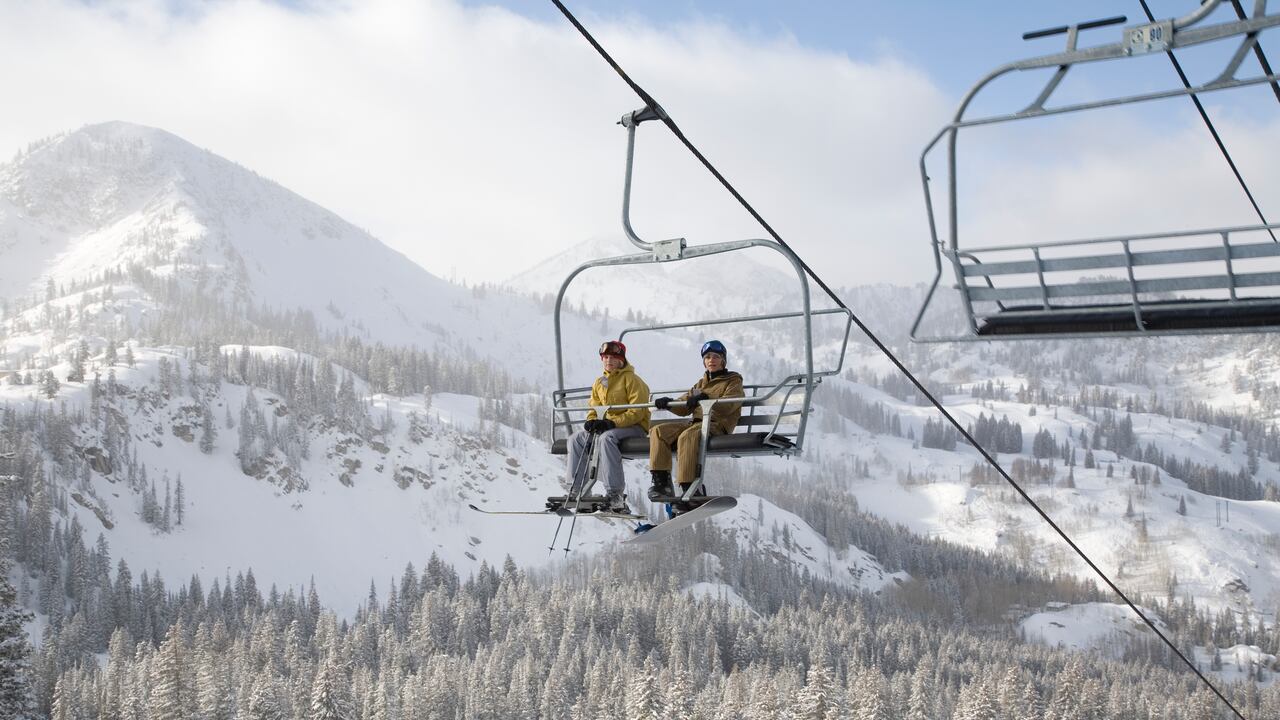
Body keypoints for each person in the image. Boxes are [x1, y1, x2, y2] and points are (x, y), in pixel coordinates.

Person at [647, 340, 743, 503]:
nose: (711, 360)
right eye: (707, 357)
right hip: (697, 423)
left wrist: (707, 398)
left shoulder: (732, 381)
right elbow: (684, 407)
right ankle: (661, 482)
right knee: (658, 431)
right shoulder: (701, 383)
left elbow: (731, 403)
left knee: (687, 436)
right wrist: (669, 403)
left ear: (723, 360)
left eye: (715, 357)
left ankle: (689, 487)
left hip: (717, 424)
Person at [566, 340, 651, 513]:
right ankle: (576, 490)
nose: (608, 361)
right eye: (605, 357)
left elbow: (638, 412)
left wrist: (613, 422)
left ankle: (615, 494)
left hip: (633, 428)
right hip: (608, 427)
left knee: (607, 438)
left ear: (621, 360)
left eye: (613, 357)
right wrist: (592, 420)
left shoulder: (633, 380)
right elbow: (594, 406)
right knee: (575, 439)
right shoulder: (600, 382)